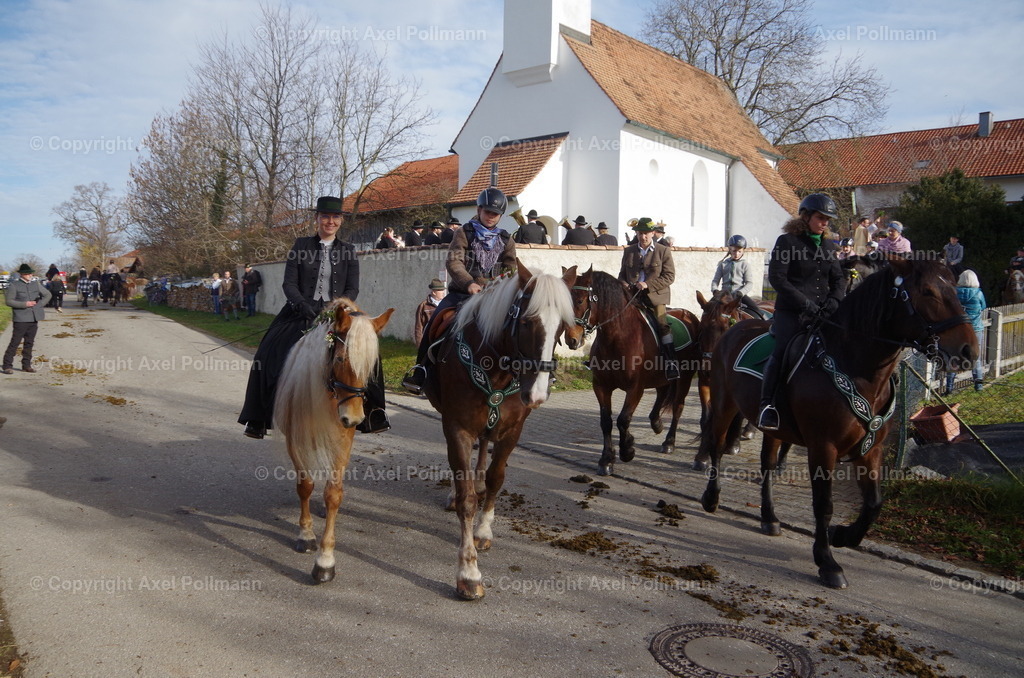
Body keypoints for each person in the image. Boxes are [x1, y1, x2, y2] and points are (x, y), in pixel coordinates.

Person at [239, 195, 389, 438]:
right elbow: (289, 283)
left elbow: (353, 288)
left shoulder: (349, 251)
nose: (330, 221)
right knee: (266, 352)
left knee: (369, 350)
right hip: (301, 311)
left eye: (335, 217)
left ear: (341, 221)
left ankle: (375, 412)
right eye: (325, 217)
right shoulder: (300, 246)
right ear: (317, 219)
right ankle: (257, 418)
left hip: (340, 314)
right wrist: (301, 305)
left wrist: (338, 307)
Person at [402, 187, 516, 394]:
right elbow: (454, 262)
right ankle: (420, 371)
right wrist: (469, 283)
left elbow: (510, 268)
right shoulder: (464, 232)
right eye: (488, 212)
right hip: (462, 293)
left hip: (494, 296)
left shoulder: (506, 239)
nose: (491, 217)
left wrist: (500, 285)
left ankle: (528, 370)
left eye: (496, 214)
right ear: (479, 209)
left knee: (520, 322)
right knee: (435, 321)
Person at [757, 193, 845, 430]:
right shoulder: (787, 242)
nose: (825, 223)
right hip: (792, 312)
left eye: (828, 219)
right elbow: (777, 278)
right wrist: (805, 303)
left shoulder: (828, 245)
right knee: (783, 351)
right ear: (806, 217)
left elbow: (838, 278)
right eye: (820, 217)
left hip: (824, 313)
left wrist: (835, 301)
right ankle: (768, 405)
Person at [618, 217, 679, 380]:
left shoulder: (663, 250)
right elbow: (621, 275)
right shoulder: (628, 251)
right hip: (632, 295)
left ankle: (670, 362)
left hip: (655, 297)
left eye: (645, 233)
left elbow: (669, 276)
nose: (642, 237)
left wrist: (647, 285)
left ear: (653, 233)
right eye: (639, 233)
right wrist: (624, 283)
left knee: (662, 324)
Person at [3, 264, 51, 374]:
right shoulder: (14, 285)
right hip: (20, 319)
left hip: (33, 318)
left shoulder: (36, 284)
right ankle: (7, 365)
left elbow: (47, 295)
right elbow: (9, 301)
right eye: (28, 273)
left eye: (31, 273)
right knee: (15, 342)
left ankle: (26, 365)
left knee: (29, 343)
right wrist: (25, 304)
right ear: (22, 274)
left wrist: (40, 305)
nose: (30, 275)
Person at [946, 269, 987, 393]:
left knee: (953, 357)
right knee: (976, 358)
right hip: (975, 328)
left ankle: (949, 388)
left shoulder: (954, 293)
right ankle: (978, 385)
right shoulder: (978, 294)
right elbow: (984, 307)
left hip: (957, 329)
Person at [711, 235, 768, 320]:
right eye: (734, 251)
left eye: (739, 251)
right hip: (724, 295)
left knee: (755, 308)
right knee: (709, 308)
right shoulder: (723, 264)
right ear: (730, 249)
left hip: (739, 295)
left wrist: (741, 292)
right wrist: (715, 290)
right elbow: (715, 281)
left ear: (743, 251)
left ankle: (765, 320)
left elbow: (749, 283)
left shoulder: (745, 265)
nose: (736, 254)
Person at [413, 278, 446, 345]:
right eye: (440, 290)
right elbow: (419, 327)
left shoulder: (446, 305)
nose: (443, 292)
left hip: (443, 340)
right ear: (434, 292)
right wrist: (420, 345)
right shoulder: (423, 306)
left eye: (443, 290)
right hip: (429, 341)